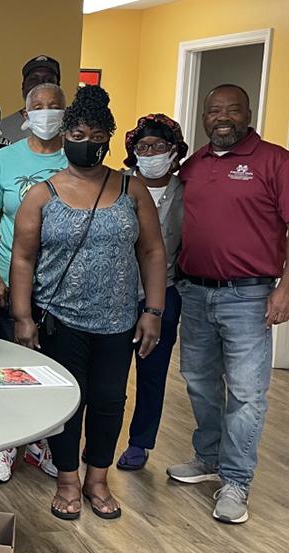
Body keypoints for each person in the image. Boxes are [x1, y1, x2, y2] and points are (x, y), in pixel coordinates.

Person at [11, 86, 166, 520]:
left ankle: (97, 479)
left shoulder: (133, 190)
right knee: (67, 402)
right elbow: (23, 258)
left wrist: (153, 311)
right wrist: (23, 318)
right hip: (61, 319)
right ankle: (66, 480)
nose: (88, 141)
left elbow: (153, 252)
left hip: (118, 321)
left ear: (110, 138)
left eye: (98, 133)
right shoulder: (42, 194)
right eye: (78, 131)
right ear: (65, 135)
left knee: (108, 400)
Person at [167, 84, 289, 524]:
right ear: (204, 117)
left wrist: (286, 288)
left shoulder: (277, 162)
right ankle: (208, 456)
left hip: (249, 295)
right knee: (197, 379)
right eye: (214, 111)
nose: (222, 117)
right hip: (194, 291)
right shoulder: (192, 166)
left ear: (248, 113)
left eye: (232, 110)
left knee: (248, 393)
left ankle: (235, 480)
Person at [0, 82, 68, 484]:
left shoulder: (77, 156)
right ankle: (3, 443)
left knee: (55, 367)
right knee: (10, 365)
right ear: (25, 114)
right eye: (38, 107)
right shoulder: (5, 159)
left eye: (55, 107)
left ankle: (44, 443)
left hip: (63, 283)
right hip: (10, 276)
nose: (46, 113)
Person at [117, 114, 189, 471]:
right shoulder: (119, 185)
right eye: (143, 147)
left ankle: (140, 443)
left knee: (153, 371)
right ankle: (99, 438)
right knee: (110, 374)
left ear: (174, 151)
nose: (150, 153)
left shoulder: (186, 190)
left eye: (159, 147)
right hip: (116, 293)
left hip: (164, 292)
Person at [0, 55, 62, 144]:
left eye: (48, 80)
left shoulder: (71, 128)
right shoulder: (3, 128)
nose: (41, 85)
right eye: (34, 79)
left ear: (58, 87)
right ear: (23, 86)